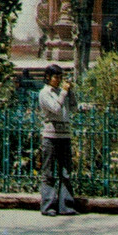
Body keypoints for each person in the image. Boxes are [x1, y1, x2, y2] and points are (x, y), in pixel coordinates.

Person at [38, 64, 78, 216]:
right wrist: (63, 93)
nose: (58, 80)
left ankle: (66, 206)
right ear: (48, 77)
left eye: (60, 77)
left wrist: (70, 92)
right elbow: (55, 108)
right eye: (56, 77)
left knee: (66, 172)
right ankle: (48, 206)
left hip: (64, 135)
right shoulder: (44, 93)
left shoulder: (63, 92)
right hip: (51, 136)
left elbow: (74, 108)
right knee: (48, 172)